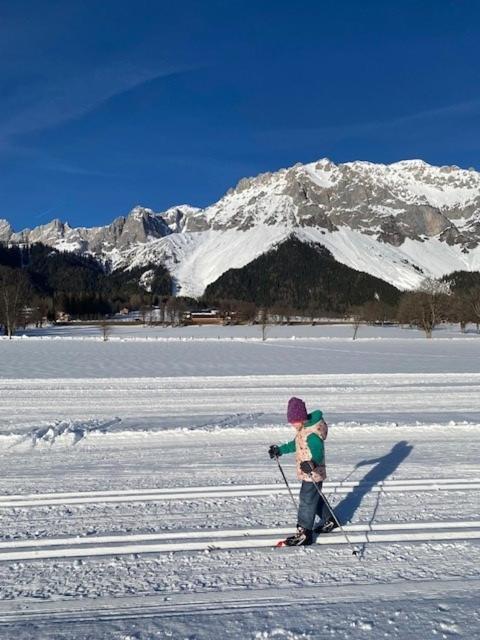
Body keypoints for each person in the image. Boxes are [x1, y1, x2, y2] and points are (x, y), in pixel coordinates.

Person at [268, 396, 336, 546]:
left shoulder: (312, 434)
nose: (292, 425)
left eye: (293, 421)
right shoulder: (303, 429)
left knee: (306, 499)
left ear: (301, 418)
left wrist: (312, 463)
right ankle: (330, 520)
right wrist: (280, 450)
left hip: (313, 473)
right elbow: (296, 444)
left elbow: (318, 453)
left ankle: (305, 532)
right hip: (309, 472)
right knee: (314, 498)